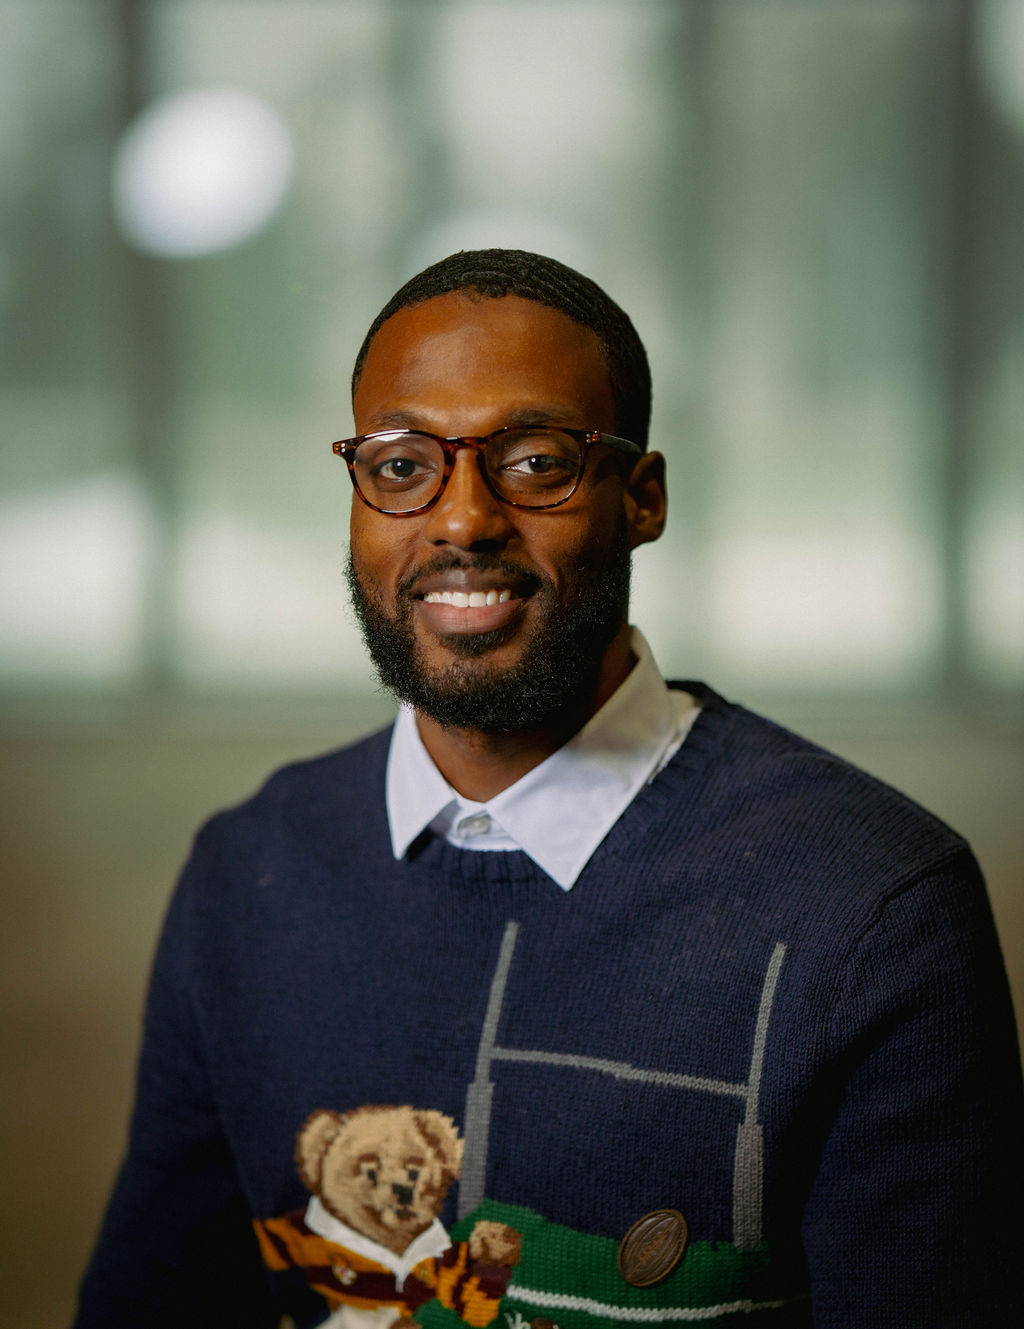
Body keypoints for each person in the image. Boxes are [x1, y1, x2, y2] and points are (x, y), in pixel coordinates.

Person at [74, 250, 1023, 1329]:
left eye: (534, 461)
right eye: (400, 465)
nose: (464, 518)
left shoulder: (874, 908)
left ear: (643, 497)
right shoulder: (246, 871)